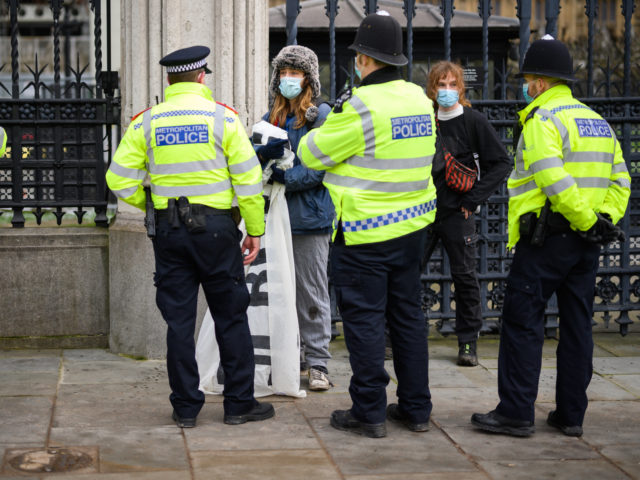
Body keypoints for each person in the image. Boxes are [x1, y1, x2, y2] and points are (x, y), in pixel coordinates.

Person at [106, 45, 275, 429]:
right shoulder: (224, 119)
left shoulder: (146, 122)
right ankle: (238, 405)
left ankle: (185, 408)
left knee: (179, 323)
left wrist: (149, 202)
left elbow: (117, 178)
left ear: (169, 80)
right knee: (230, 318)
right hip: (217, 231)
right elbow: (248, 181)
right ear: (201, 77)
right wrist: (254, 230)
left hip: (169, 231)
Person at [471, 36, 630, 438]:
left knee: (523, 322)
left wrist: (580, 218)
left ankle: (515, 412)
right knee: (577, 326)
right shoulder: (596, 121)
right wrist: (600, 220)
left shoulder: (543, 119)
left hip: (546, 240)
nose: (524, 86)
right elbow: (621, 178)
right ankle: (571, 415)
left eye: (526, 79)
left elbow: (551, 175)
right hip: (586, 242)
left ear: (540, 82)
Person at [298, 11, 437, 438]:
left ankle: (370, 412)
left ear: (362, 60)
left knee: (365, 324)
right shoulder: (418, 98)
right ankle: (415, 409)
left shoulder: (359, 106)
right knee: (409, 320)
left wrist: (323, 122)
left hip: (365, 235)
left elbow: (311, 155)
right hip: (413, 229)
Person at [256, 45, 335, 391]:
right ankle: (292, 355)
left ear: (309, 80)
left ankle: (318, 362)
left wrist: (281, 178)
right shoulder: (268, 119)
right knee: (280, 292)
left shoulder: (321, 117)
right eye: (284, 72)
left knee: (311, 291)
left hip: (309, 219)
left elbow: (316, 171)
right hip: (275, 217)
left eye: (296, 72)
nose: (289, 78)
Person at [423, 61, 512, 366]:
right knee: (406, 275)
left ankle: (467, 343)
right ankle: (397, 337)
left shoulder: (472, 120)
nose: (446, 91)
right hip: (421, 211)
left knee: (464, 277)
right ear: (432, 89)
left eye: (452, 85)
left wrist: (472, 199)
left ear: (461, 89)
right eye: (441, 85)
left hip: (457, 212)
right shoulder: (423, 118)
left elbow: (502, 162)